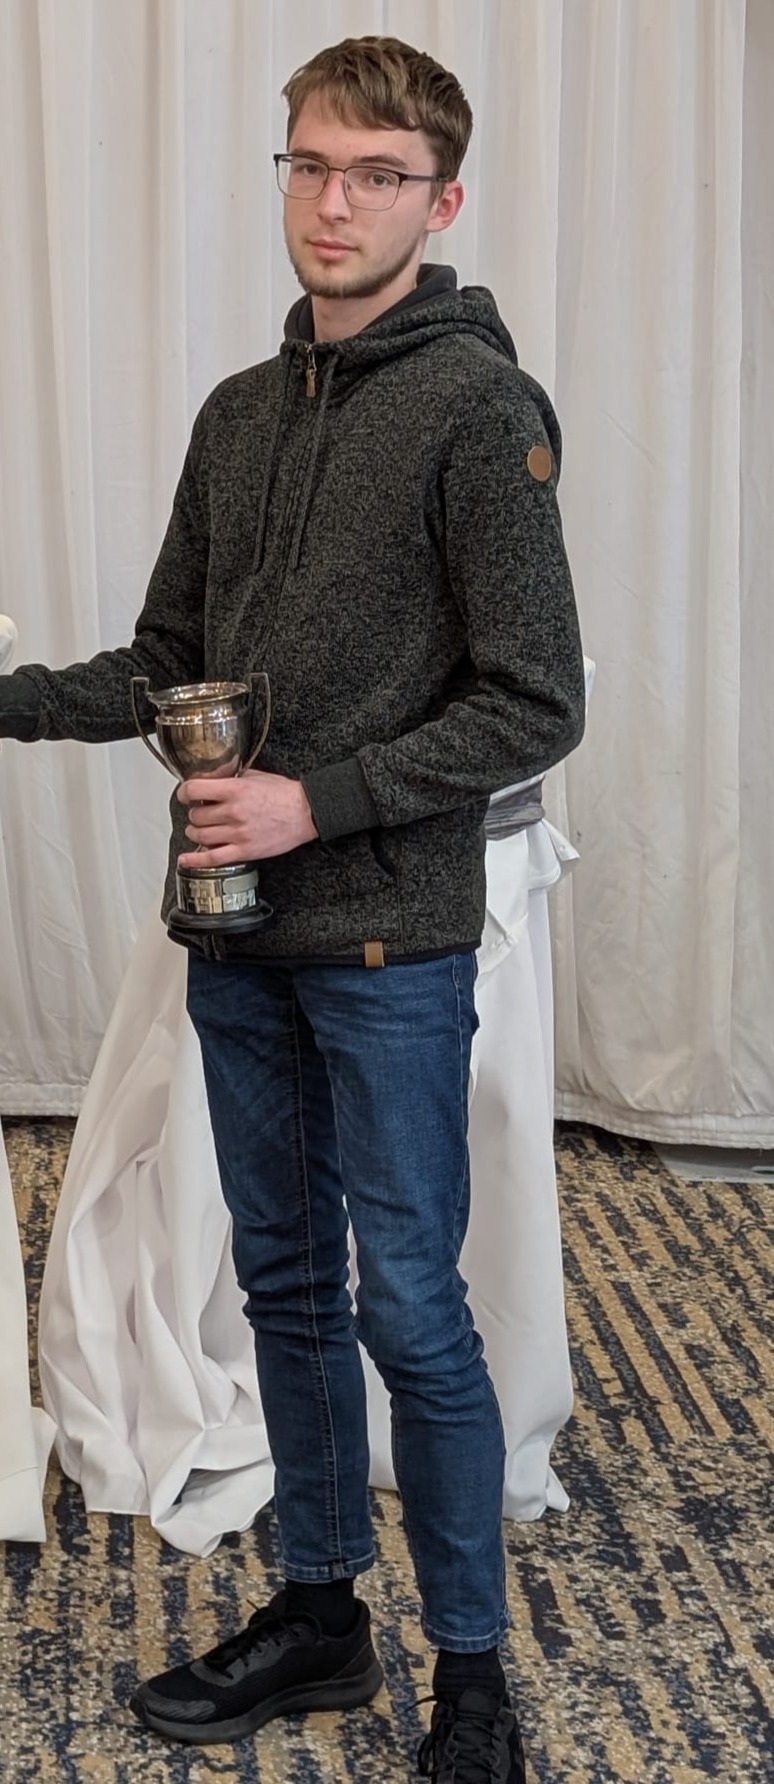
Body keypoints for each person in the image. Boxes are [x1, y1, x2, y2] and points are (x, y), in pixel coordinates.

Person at [0, 35, 584, 1783]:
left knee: (411, 1305)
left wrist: (311, 800)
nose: (336, 203)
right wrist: (12, 698)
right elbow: (168, 663)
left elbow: (535, 702)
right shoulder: (238, 416)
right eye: (311, 165)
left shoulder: (480, 411)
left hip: (390, 939)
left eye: (377, 175)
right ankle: (321, 1613)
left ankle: (470, 1673)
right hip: (234, 936)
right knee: (279, 1286)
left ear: (440, 201)